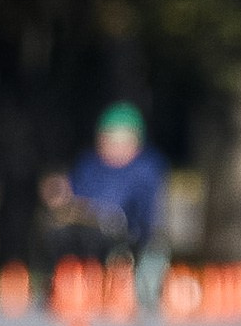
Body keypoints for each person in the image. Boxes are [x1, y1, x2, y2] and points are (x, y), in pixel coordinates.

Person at [67, 103, 169, 300]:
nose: (115, 146)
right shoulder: (88, 165)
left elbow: (147, 212)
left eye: (122, 139)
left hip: (130, 233)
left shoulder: (146, 168)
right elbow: (76, 196)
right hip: (88, 229)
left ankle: (143, 291)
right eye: (110, 138)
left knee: (150, 251)